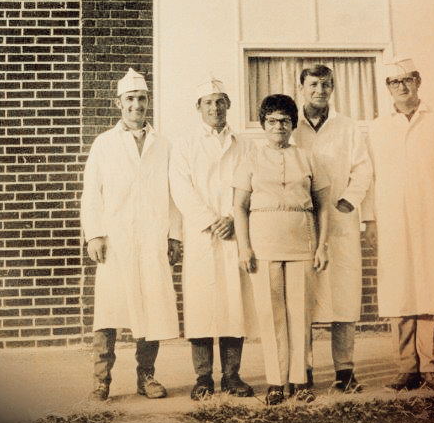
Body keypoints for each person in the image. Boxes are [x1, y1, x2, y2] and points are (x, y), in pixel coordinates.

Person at [363, 58, 434, 393]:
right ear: (387, 87)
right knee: (400, 290)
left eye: (407, 80)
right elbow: (369, 178)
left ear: (418, 81)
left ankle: (430, 367)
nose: (401, 87)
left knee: (429, 289)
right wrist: (370, 219)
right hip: (393, 221)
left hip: (433, 218)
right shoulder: (378, 127)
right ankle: (406, 368)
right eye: (393, 82)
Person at [81, 68, 182, 401]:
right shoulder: (104, 144)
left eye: (141, 99)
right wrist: (94, 234)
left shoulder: (163, 144)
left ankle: (147, 377)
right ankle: (101, 380)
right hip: (117, 240)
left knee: (151, 309)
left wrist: (174, 236)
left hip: (153, 238)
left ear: (148, 101)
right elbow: (91, 193)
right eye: (130, 99)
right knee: (109, 311)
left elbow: (173, 193)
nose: (136, 105)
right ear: (119, 103)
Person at [233, 94, 330, 405]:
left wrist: (322, 245)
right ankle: (276, 381)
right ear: (263, 124)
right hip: (264, 242)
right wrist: (244, 247)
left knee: (300, 313)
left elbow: (324, 206)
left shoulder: (308, 158)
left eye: (284, 121)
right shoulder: (249, 159)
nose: (278, 126)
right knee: (270, 313)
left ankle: (300, 380)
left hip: (302, 239)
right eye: (272, 121)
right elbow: (239, 207)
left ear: (293, 124)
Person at [169, 77, 257, 400]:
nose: (215, 108)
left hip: (235, 231)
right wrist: (210, 220)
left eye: (220, 101)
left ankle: (232, 376)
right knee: (201, 306)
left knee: (235, 306)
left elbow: (251, 183)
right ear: (198, 108)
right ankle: (203, 378)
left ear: (229, 105)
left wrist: (234, 218)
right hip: (202, 235)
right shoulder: (185, 144)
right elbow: (180, 189)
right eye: (208, 102)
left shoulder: (244, 143)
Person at [294, 65, 373, 393]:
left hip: (339, 223)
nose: (320, 90)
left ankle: (345, 371)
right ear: (302, 87)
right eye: (313, 84)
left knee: (343, 296)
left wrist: (349, 201)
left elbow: (363, 169)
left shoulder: (348, 127)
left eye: (327, 84)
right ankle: (303, 370)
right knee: (302, 298)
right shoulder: (289, 124)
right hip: (299, 223)